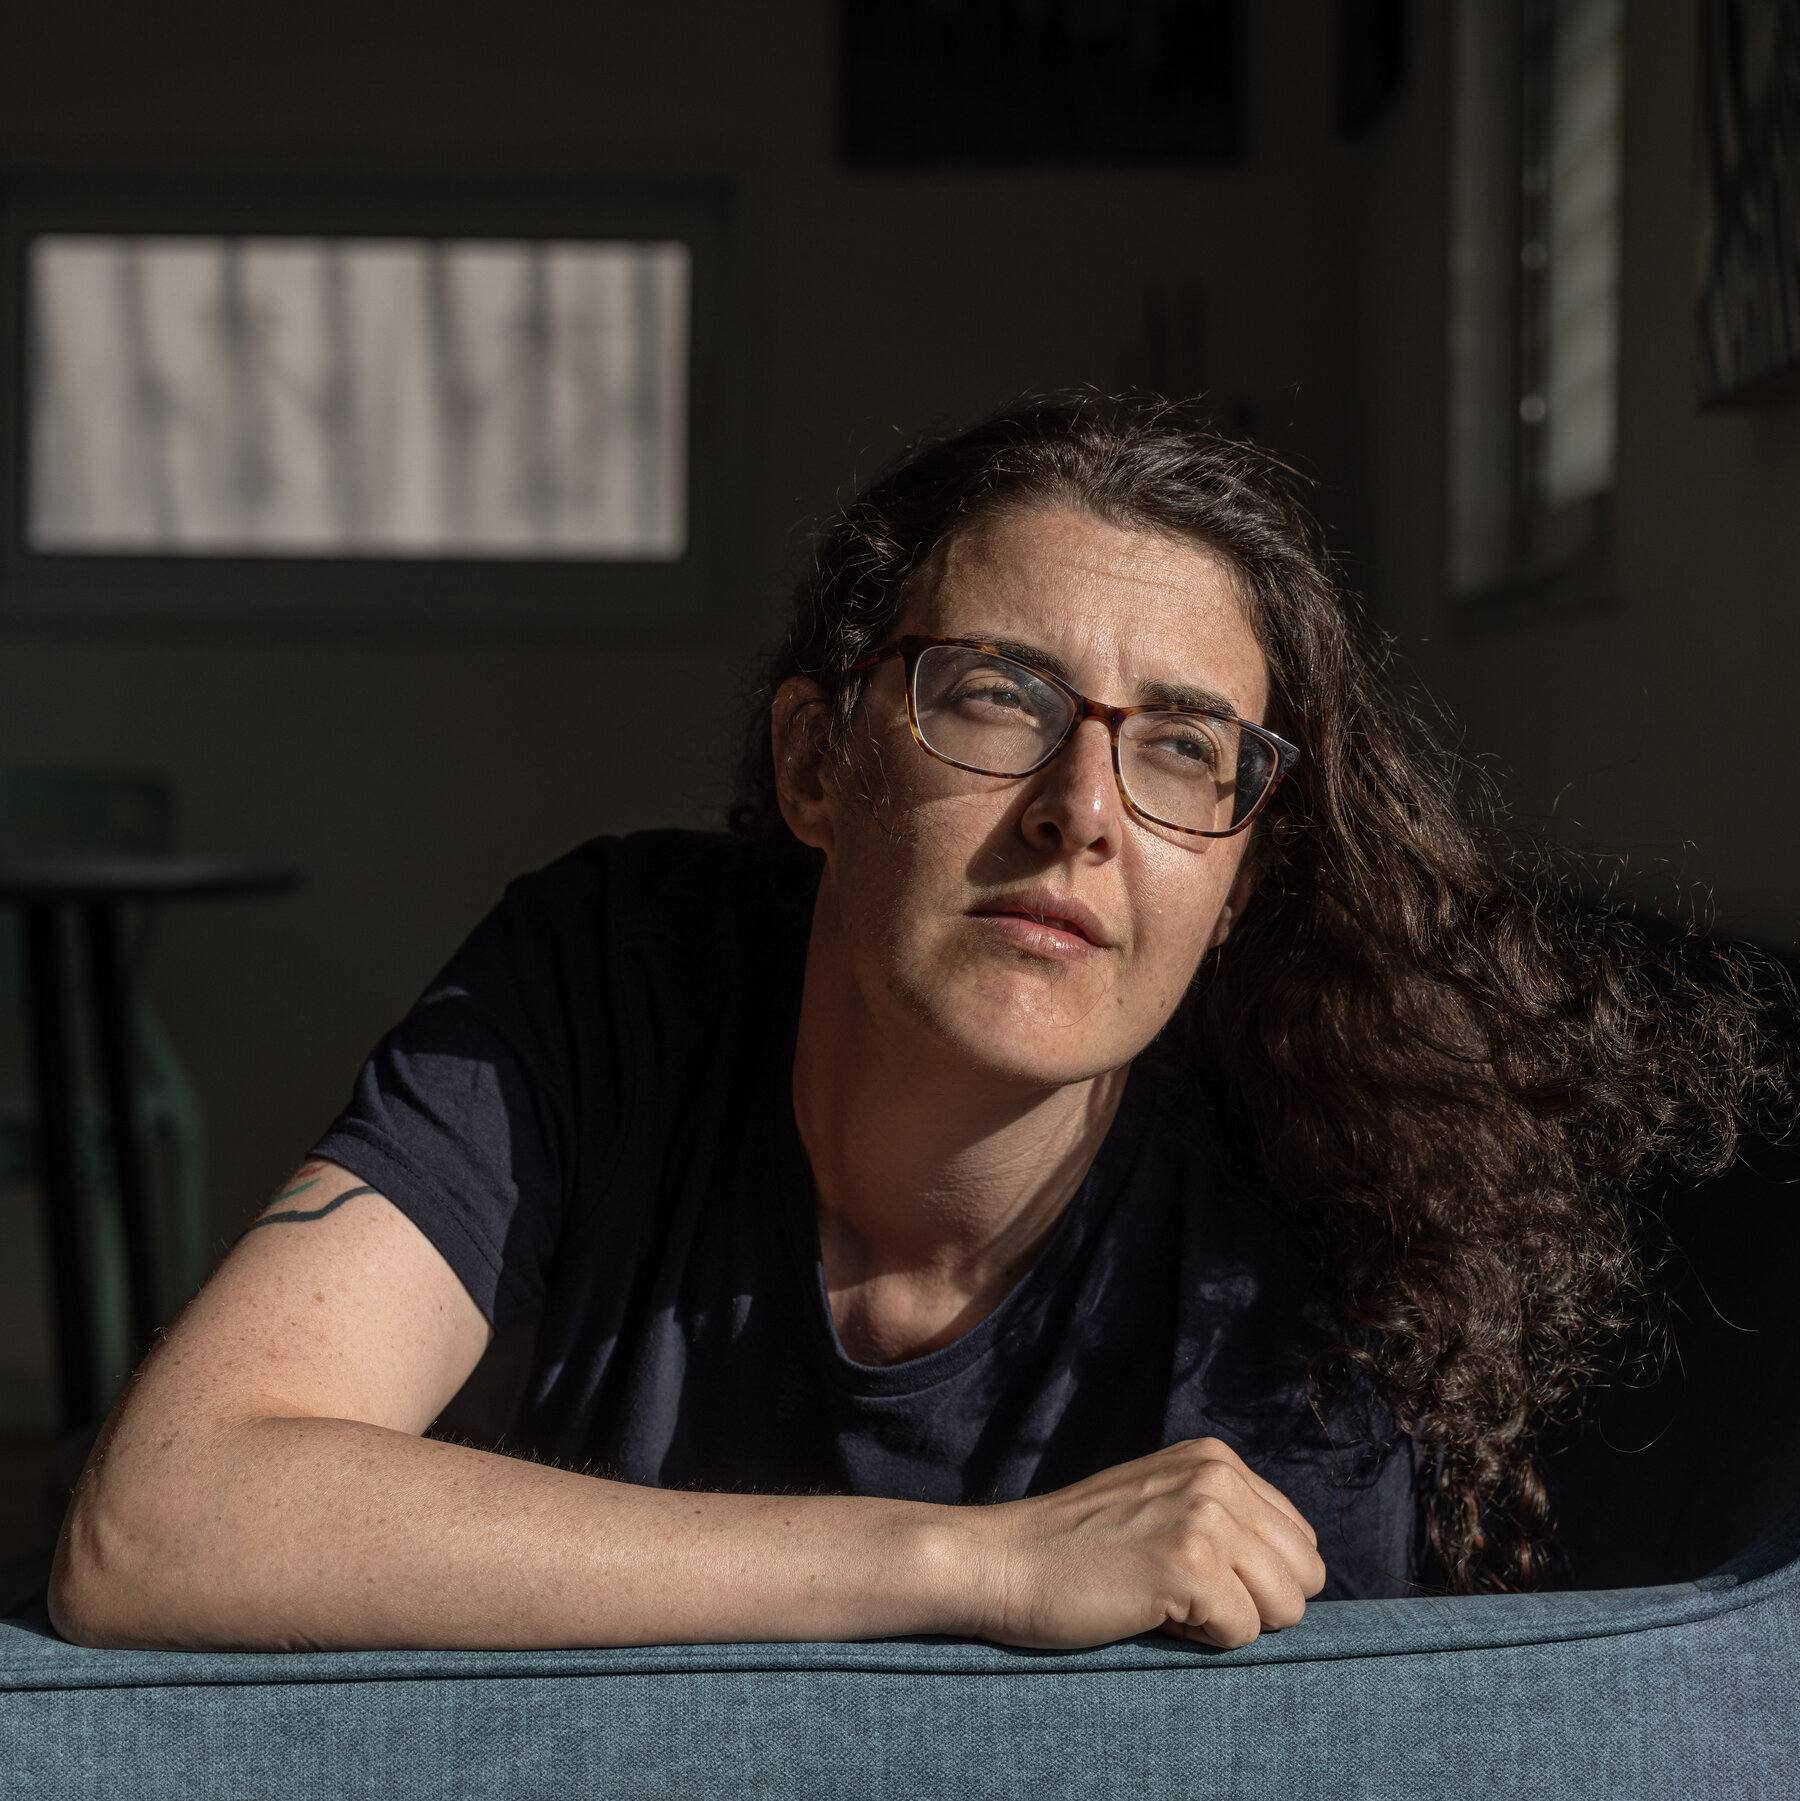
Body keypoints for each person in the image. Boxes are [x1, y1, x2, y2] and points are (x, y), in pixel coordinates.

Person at [50, 395, 1781, 1654]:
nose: (1081, 810)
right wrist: (973, 1565)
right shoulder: (608, 976)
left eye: (1185, 748)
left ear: (1238, 878)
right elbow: (160, 1518)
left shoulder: (1283, 1313)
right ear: (817, 764)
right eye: (998, 697)